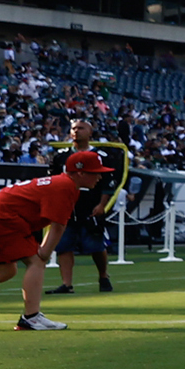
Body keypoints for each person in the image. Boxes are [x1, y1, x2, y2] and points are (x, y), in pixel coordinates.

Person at [0, 151, 111, 330]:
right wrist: (45, 252)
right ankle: (31, 317)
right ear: (80, 173)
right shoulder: (64, 186)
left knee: (5, 271)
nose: (99, 176)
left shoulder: (65, 184)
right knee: (36, 261)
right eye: (95, 172)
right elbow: (58, 225)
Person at [43, 121, 122, 295]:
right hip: (68, 207)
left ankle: (103, 276)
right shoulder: (60, 156)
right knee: (64, 245)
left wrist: (102, 204)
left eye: (81, 128)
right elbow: (52, 181)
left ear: (90, 132)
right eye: (73, 128)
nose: (76, 132)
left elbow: (109, 182)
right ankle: (66, 283)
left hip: (90, 205)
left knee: (95, 244)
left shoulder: (101, 155)